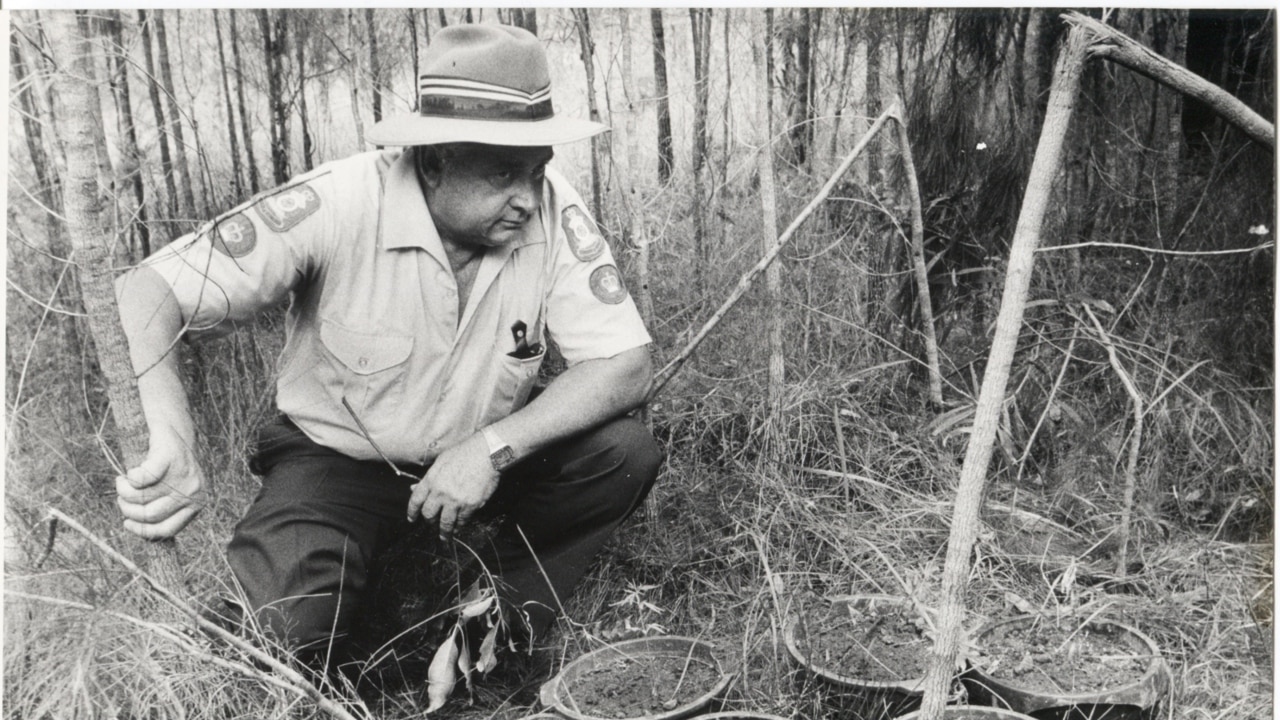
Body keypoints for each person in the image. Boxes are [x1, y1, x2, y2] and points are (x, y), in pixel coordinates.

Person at [113, 23, 661, 679]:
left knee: (622, 455)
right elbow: (148, 289)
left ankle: (489, 631)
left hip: (477, 456)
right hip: (339, 459)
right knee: (272, 643)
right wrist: (171, 436)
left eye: (537, 169)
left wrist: (493, 448)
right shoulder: (342, 200)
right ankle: (358, 637)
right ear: (434, 161)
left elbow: (625, 364)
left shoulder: (548, 207)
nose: (527, 196)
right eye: (503, 173)